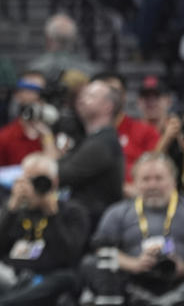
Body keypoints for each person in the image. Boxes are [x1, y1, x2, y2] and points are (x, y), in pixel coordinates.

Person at [0, 152, 91, 306]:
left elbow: (69, 255)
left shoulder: (73, 211)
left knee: (66, 279)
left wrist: (52, 214)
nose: (33, 188)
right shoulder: (14, 210)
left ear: (54, 183)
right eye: (28, 180)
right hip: (12, 280)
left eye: (39, 181)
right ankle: (27, 302)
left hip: (47, 279)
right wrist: (11, 209)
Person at [86, 152, 184, 306]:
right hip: (132, 282)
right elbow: (100, 250)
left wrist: (181, 267)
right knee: (90, 263)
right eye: (146, 179)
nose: (152, 185)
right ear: (136, 183)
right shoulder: (118, 212)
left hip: (179, 282)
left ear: (173, 181)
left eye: (159, 178)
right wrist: (134, 264)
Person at [43, 80, 124, 227]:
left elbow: (59, 175)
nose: (81, 99)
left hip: (94, 223)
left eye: (90, 96)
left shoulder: (103, 143)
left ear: (108, 106)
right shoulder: (89, 139)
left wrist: (46, 136)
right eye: (82, 95)